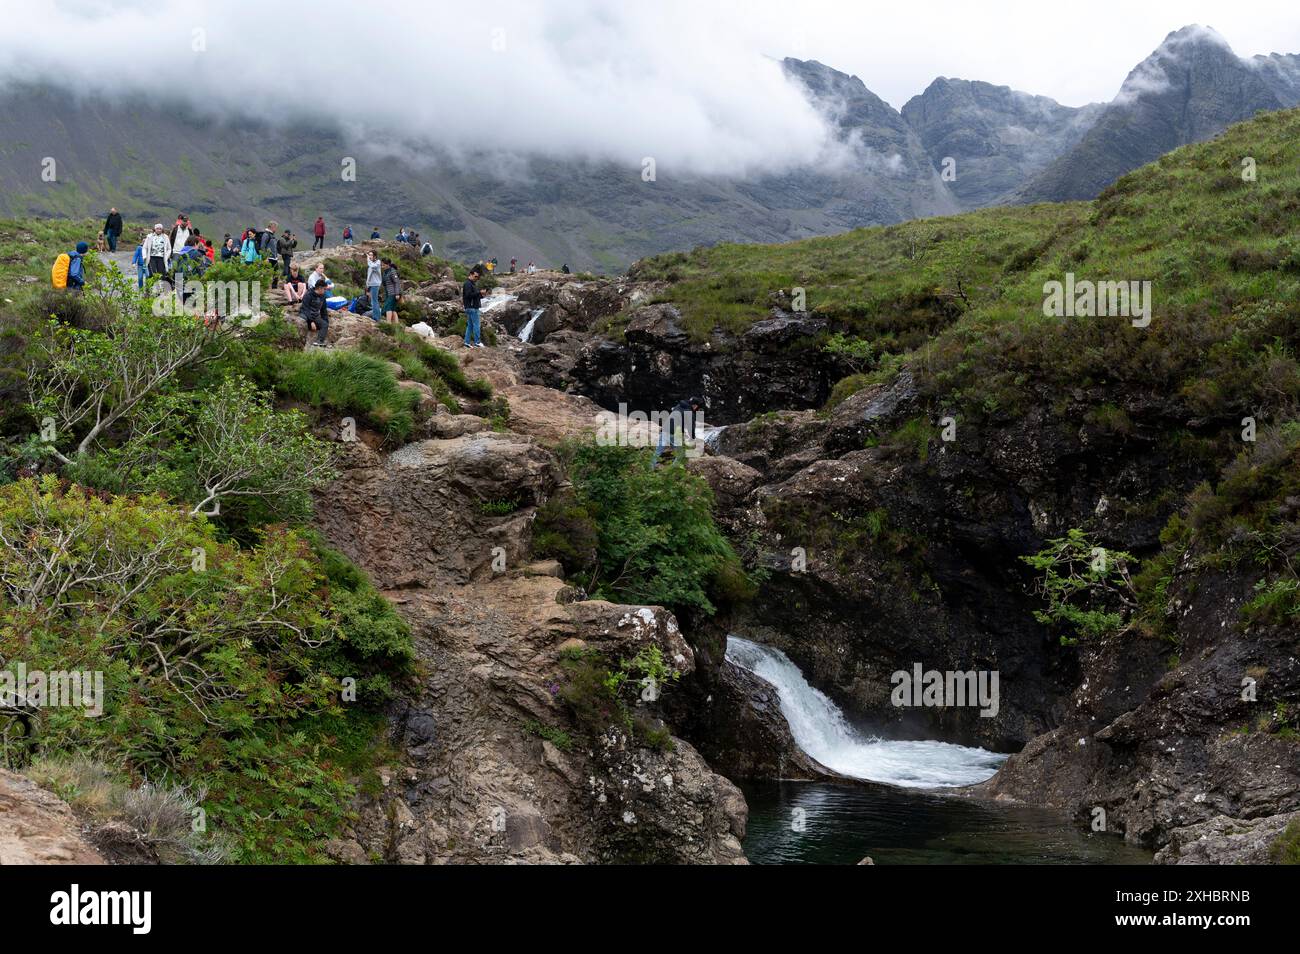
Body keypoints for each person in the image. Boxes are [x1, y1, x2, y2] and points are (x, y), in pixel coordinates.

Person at [653, 396, 705, 466]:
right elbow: (691, 429)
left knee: (657, 452)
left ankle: (649, 469)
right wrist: (694, 438)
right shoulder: (689, 412)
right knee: (680, 454)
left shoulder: (678, 406)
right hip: (673, 433)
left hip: (664, 429)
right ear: (695, 406)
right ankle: (672, 471)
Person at [299, 282, 331, 347]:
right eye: (325, 289)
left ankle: (319, 341)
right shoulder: (308, 294)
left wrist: (326, 322)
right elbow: (305, 309)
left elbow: (323, 311)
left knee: (324, 324)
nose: (326, 291)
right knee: (303, 320)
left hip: (315, 316)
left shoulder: (323, 296)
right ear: (320, 288)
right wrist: (311, 322)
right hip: (305, 314)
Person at [462, 265, 484, 347]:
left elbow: (475, 295)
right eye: (475, 276)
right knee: (476, 325)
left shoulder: (472, 284)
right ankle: (477, 342)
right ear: (471, 274)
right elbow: (468, 295)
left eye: (478, 277)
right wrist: (479, 293)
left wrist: (482, 294)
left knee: (470, 326)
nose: (476, 278)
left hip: (471, 307)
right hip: (472, 308)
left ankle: (467, 342)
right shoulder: (468, 284)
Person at [381, 257, 402, 325]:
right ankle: (396, 324)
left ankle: (388, 323)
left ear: (388, 265)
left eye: (383, 265)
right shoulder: (385, 272)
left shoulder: (392, 271)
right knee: (393, 309)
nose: (382, 266)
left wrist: (397, 294)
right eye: (381, 265)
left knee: (388, 308)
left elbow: (397, 282)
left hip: (393, 293)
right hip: (388, 292)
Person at [365, 250, 383, 322]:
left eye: (371, 255)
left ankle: (377, 318)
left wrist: (368, 259)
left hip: (375, 284)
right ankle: (376, 316)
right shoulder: (371, 263)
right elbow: (369, 275)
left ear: (375, 256)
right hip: (371, 284)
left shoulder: (377, 262)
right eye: (369, 255)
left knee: (374, 301)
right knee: (373, 301)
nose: (369, 256)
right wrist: (367, 284)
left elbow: (372, 266)